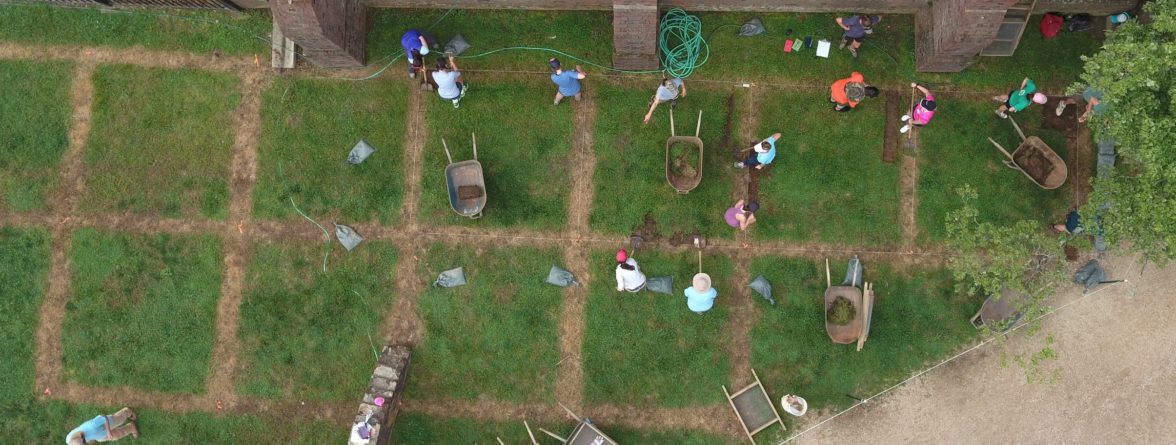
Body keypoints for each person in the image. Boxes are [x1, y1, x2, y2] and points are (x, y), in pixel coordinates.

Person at [66, 407, 138, 444]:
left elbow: (103, 417)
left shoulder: (91, 426)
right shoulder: (70, 440)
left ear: (82, 438)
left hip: (108, 423)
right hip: (101, 436)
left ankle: (128, 411)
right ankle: (131, 427)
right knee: (117, 436)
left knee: (120, 419)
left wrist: (108, 431)